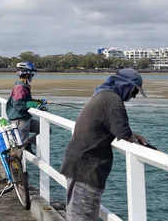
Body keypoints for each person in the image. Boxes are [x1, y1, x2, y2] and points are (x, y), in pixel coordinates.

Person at [59, 68, 148, 221]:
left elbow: (113, 127)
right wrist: (141, 145)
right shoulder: (113, 99)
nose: (133, 96)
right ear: (126, 86)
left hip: (77, 163)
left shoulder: (102, 94)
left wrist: (133, 135)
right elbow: (123, 132)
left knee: (74, 213)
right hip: (87, 168)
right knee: (82, 216)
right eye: (134, 92)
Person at [5, 61, 44, 151]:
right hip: (19, 120)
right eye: (32, 75)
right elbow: (18, 105)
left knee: (46, 129)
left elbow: (26, 100)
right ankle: (16, 164)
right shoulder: (20, 88)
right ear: (27, 75)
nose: (32, 77)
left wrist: (39, 102)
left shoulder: (23, 86)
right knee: (20, 149)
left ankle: (29, 143)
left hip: (25, 118)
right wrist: (35, 105)